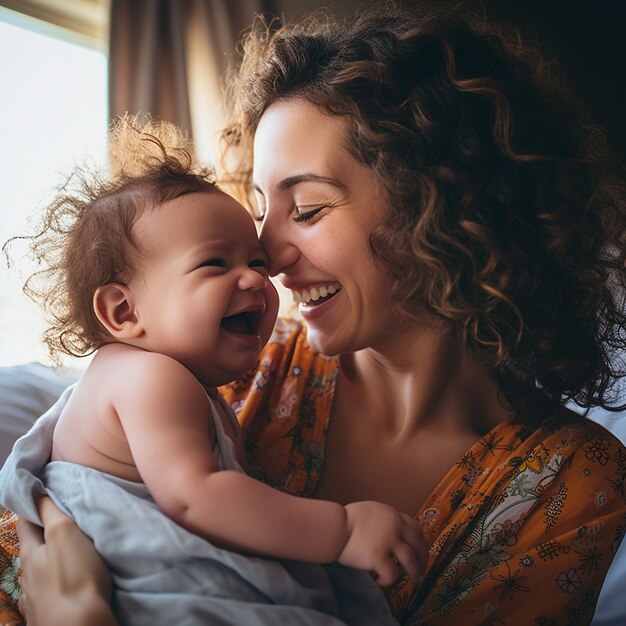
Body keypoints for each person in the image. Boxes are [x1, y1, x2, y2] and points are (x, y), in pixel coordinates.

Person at [5, 3, 626, 625]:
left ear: (440, 206)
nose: (269, 257)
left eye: (305, 209)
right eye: (261, 211)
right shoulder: (234, 361)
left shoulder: (571, 487)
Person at [0, 116, 426, 626]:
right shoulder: (152, 378)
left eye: (256, 261)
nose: (260, 273)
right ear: (123, 312)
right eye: (214, 265)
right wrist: (343, 530)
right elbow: (193, 496)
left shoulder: (167, 377)